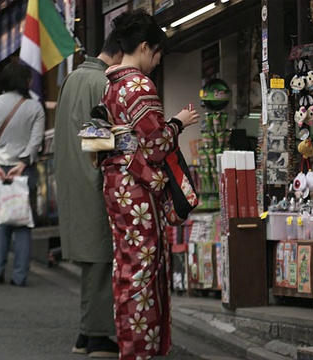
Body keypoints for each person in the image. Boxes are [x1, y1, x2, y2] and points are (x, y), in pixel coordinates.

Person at [99, 10, 199, 359]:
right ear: (144, 47)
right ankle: (142, 350)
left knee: (127, 267)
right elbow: (155, 145)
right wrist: (178, 122)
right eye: (157, 54)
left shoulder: (110, 85)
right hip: (137, 186)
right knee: (144, 267)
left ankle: (131, 344)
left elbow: (100, 139)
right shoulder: (138, 85)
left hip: (116, 182)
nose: (157, 63)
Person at [54, 30, 124, 357]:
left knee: (90, 262)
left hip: (71, 180)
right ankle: (98, 335)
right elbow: (99, 144)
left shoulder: (73, 78)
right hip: (94, 182)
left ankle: (85, 333)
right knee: (100, 260)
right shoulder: (102, 83)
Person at [0, 62, 45, 286]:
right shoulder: (35, 108)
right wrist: (22, 163)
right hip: (24, 170)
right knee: (23, 223)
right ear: (25, 81)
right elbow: (36, 140)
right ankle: (20, 275)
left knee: (3, 220)